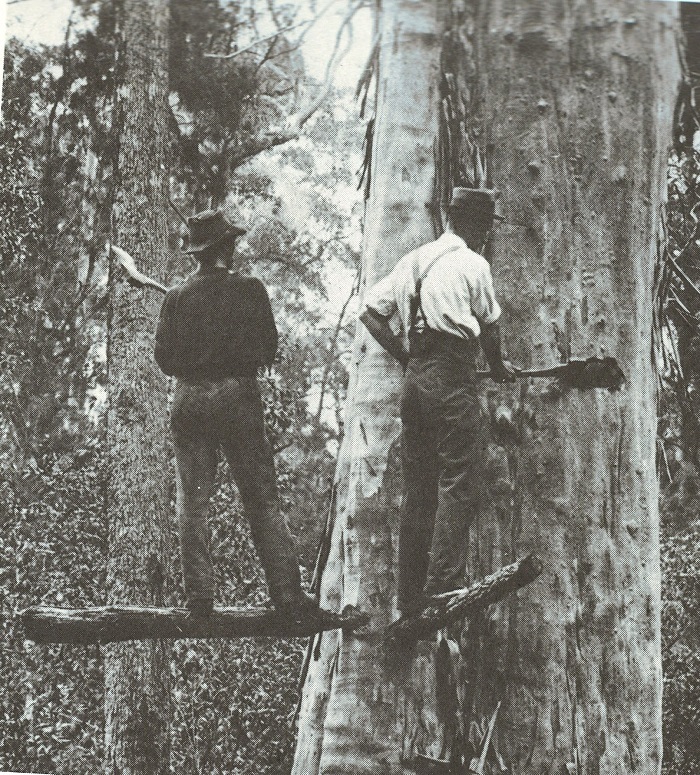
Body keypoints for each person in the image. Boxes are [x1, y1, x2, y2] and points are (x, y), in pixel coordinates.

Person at [153, 209, 320, 619]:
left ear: (197, 254)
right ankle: (286, 595)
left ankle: (200, 599)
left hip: (189, 398)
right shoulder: (250, 290)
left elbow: (164, 359)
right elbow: (268, 349)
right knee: (261, 496)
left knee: (192, 502)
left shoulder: (175, 297)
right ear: (228, 247)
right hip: (237, 397)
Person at [360, 188, 516, 615]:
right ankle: (441, 587)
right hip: (451, 377)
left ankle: (408, 597)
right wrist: (499, 368)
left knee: (420, 488)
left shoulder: (412, 260)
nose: (486, 235)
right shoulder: (473, 263)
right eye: (485, 227)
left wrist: (405, 356)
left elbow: (371, 313)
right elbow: (490, 327)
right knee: (461, 478)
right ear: (474, 226)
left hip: (416, 378)